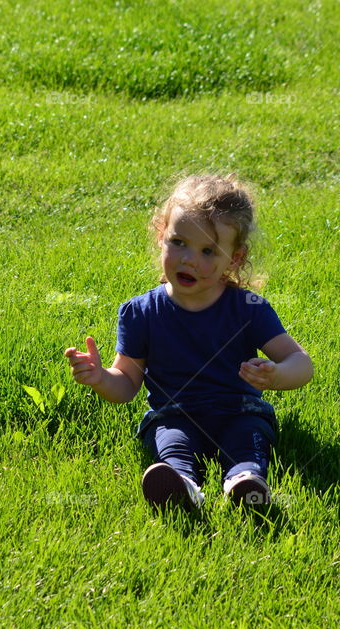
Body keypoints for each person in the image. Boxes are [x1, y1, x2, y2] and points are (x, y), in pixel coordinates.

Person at [63, 174, 313, 510]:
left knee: (247, 441)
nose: (189, 259)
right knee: (172, 444)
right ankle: (181, 486)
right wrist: (100, 377)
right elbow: (125, 386)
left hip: (239, 410)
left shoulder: (247, 309)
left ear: (235, 259)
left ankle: (245, 483)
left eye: (209, 251)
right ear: (161, 236)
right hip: (174, 414)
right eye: (179, 242)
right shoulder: (141, 312)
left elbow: (301, 363)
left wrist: (277, 374)